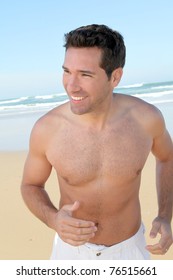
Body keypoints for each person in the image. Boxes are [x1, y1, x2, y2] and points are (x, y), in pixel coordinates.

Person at [21, 24, 173, 260]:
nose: (71, 85)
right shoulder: (47, 129)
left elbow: (167, 157)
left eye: (85, 74)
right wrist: (53, 219)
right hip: (71, 253)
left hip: (131, 250)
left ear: (115, 77)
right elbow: (30, 185)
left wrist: (165, 215)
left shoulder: (146, 119)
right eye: (67, 71)